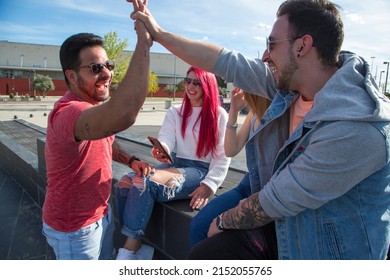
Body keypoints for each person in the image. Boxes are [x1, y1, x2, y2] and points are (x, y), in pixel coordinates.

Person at [130, 0, 390, 259]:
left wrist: (221, 222)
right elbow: (224, 61)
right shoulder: (291, 87)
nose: (265, 56)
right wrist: (159, 33)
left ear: (302, 46)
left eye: (271, 44)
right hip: (288, 225)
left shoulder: (356, 125)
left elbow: (276, 200)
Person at [42, 4, 153, 260]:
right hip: (75, 229)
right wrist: (144, 42)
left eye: (108, 64)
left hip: (101, 213)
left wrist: (131, 160)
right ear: (71, 76)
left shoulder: (93, 111)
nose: (107, 73)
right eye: (95, 68)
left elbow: (105, 142)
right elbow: (123, 114)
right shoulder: (68, 112)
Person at [114, 66, 231, 260]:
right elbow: (167, 138)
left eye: (197, 83)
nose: (190, 86)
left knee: (145, 182)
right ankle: (139, 247)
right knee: (125, 183)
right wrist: (162, 150)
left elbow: (223, 154)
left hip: (200, 170)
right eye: (187, 81)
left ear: (208, 86)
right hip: (175, 164)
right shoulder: (176, 111)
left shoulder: (219, 114)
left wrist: (209, 185)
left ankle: (128, 250)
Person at [188, 88, 275, 255]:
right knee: (198, 226)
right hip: (246, 185)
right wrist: (234, 111)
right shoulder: (254, 113)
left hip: (268, 191)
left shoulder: (280, 110)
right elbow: (230, 150)